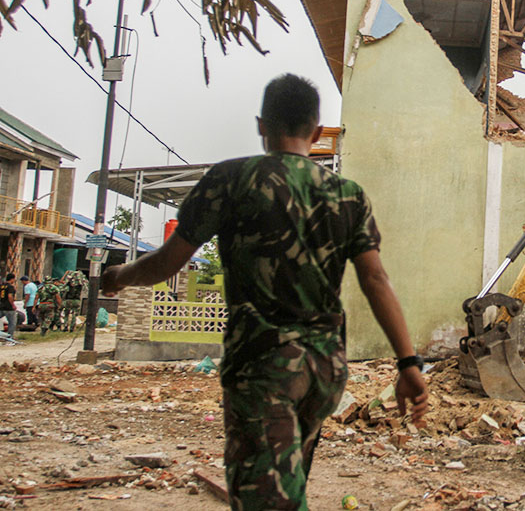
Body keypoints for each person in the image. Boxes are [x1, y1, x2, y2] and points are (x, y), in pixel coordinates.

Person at [100, 73, 428, 510]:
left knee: (267, 501)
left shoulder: (230, 180)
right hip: (324, 371)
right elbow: (375, 281)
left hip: (264, 366)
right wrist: (408, 364)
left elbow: (167, 263)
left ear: (262, 126)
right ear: (315, 131)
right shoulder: (347, 194)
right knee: (287, 486)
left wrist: (118, 276)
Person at [0, 274, 17, 343]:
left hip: (1, 306)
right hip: (8, 308)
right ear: (12, 279)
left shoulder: (1, 286)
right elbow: (10, 296)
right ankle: (10, 337)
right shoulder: (10, 287)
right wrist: (13, 305)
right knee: (12, 323)